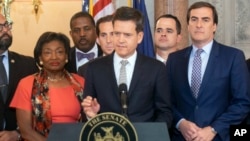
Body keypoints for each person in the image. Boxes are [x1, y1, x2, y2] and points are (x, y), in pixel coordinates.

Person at [166, 1, 250, 141]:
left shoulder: (233, 57)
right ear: (188, 25)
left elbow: (242, 103)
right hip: (182, 137)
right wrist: (181, 123)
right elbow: (167, 101)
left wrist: (214, 129)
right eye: (194, 19)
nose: (199, 25)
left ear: (214, 26)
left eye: (205, 20)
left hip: (218, 137)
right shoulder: (174, 60)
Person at [82, 6, 172, 128]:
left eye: (127, 35)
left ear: (139, 37)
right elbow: (87, 109)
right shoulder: (94, 68)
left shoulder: (156, 69)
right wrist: (91, 115)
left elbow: (165, 112)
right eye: (117, 33)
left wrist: (150, 135)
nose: (120, 40)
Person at [10, 32, 85, 141]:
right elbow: (26, 131)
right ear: (40, 57)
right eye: (48, 53)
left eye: (59, 52)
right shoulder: (26, 84)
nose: (54, 57)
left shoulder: (80, 82)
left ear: (66, 56)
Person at [0, 13, 38, 141]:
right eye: (0, 27)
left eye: (7, 25)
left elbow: (39, 107)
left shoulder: (28, 64)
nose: (6, 30)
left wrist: (18, 133)